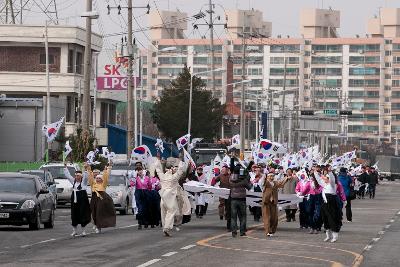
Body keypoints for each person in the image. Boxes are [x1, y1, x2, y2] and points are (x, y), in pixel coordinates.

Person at [151, 156, 189, 237]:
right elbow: (180, 171)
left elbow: (158, 170)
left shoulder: (162, 177)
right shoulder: (173, 178)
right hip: (170, 198)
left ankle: (165, 228)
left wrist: (157, 161)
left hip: (163, 198)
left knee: (163, 213)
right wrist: (181, 162)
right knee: (171, 212)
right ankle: (166, 228)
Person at [314, 167, 342, 243]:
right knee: (325, 218)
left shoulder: (333, 185)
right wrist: (315, 172)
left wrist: (330, 172)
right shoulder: (324, 184)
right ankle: (328, 236)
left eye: (326, 178)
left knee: (332, 218)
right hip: (325, 203)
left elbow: (332, 179)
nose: (324, 178)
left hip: (331, 203)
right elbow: (319, 179)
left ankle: (335, 236)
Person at [87, 164, 116, 234]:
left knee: (99, 213)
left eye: (99, 178)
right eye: (97, 178)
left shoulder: (103, 184)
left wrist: (105, 170)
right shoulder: (93, 184)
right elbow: (90, 177)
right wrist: (88, 168)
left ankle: (98, 227)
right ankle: (95, 224)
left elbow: (105, 177)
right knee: (93, 213)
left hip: (101, 200)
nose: (98, 179)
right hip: (94, 199)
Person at [64, 164, 91, 237]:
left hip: (82, 200)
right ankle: (74, 231)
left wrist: (85, 169)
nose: (76, 177)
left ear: (81, 176)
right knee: (74, 214)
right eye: (76, 176)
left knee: (82, 214)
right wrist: (65, 167)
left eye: (78, 176)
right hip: (75, 200)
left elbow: (86, 177)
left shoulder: (84, 183)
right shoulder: (73, 182)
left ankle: (83, 231)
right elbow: (68, 176)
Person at [230, 156, 253, 237]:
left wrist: (232, 159)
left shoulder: (231, 178)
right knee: (243, 216)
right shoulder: (244, 180)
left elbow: (231, 168)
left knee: (233, 217)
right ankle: (242, 232)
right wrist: (248, 179)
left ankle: (234, 232)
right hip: (242, 199)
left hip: (233, 199)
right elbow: (250, 187)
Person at [262, 173, 290, 237]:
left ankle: (271, 230)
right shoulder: (265, 182)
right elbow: (261, 182)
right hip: (266, 202)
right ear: (268, 177)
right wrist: (263, 176)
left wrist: (286, 178)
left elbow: (281, 183)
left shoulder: (275, 183)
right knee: (267, 217)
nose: (272, 177)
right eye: (270, 176)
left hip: (273, 202)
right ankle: (267, 231)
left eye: (273, 176)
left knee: (274, 218)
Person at [131, 165, 152, 229]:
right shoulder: (135, 178)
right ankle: (140, 223)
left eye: (141, 170)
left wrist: (148, 191)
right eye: (138, 170)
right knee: (140, 208)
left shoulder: (147, 178)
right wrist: (134, 178)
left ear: (143, 171)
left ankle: (146, 222)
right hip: (138, 193)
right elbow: (132, 184)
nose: (140, 171)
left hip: (146, 193)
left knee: (146, 208)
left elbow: (150, 186)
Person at [211, 164, 232, 229]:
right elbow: (215, 180)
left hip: (229, 192)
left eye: (224, 170)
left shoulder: (230, 176)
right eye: (222, 170)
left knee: (228, 205)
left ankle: (227, 216)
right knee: (221, 203)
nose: (223, 171)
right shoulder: (220, 175)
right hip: (222, 192)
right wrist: (212, 183)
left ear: (227, 170)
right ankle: (221, 215)